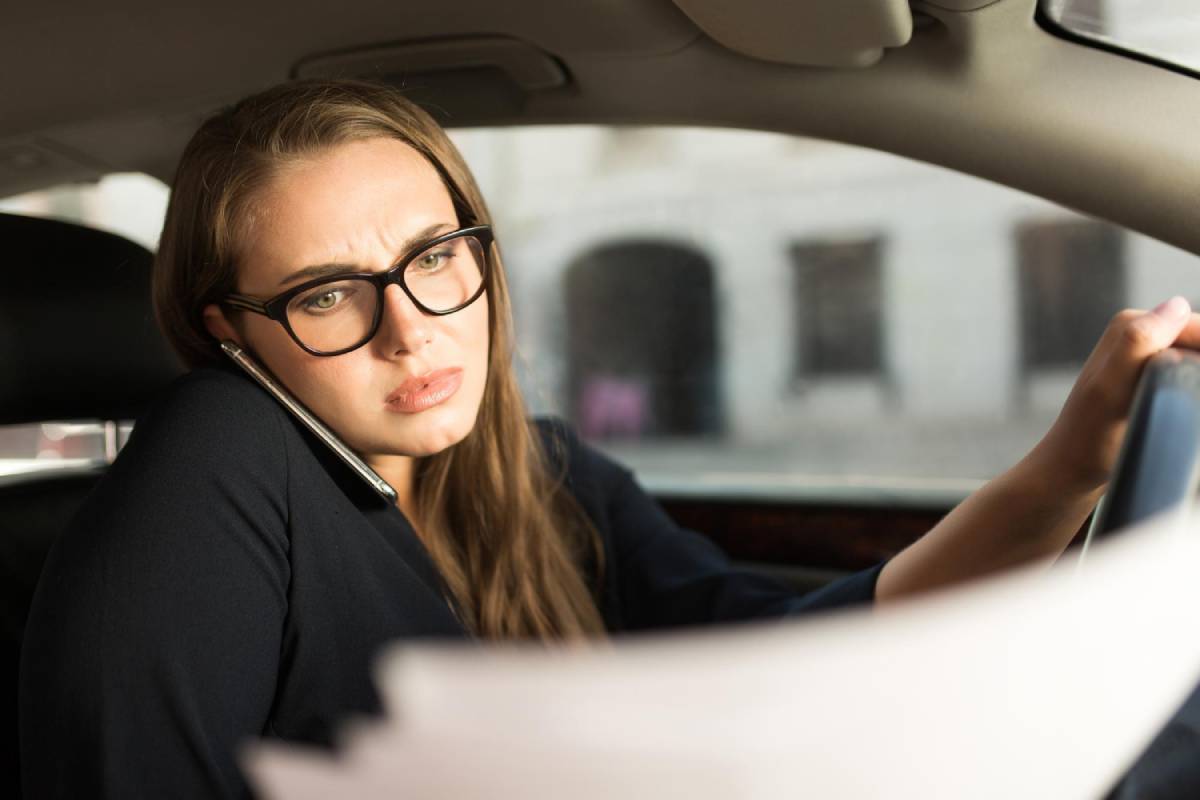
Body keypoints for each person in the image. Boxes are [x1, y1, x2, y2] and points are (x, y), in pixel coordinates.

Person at [18, 79, 1200, 799]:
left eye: (436, 257)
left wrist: (1077, 456)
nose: (411, 328)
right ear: (229, 331)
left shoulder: (542, 471)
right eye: (327, 294)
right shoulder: (220, 455)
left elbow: (803, 644)